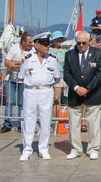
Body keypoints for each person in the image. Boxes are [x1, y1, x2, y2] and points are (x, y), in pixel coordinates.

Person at [18, 32, 60, 161]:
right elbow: (21, 78)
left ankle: (43, 149)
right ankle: (27, 149)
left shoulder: (52, 60)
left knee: (46, 120)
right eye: (44, 44)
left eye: (48, 44)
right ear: (36, 45)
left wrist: (55, 94)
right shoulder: (28, 59)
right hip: (31, 91)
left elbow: (57, 79)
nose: (47, 46)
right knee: (29, 120)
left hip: (46, 91)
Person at [64, 31, 101, 160]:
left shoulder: (98, 53)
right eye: (78, 43)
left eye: (84, 43)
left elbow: (100, 73)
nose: (81, 45)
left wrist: (87, 88)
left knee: (93, 122)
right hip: (75, 93)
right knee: (74, 123)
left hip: (92, 93)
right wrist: (76, 88)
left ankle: (93, 148)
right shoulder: (70, 54)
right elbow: (66, 74)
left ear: (89, 41)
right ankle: (76, 149)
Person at [0, 33, 33, 133]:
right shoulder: (13, 49)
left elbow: (29, 64)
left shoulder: (32, 51)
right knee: (9, 102)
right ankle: (7, 123)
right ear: (23, 42)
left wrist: (15, 63)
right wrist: (21, 63)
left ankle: (20, 123)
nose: (31, 44)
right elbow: (7, 64)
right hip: (11, 79)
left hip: (23, 80)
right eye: (29, 42)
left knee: (21, 102)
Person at [49, 31, 66, 123]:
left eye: (61, 39)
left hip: (60, 76)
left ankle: (56, 118)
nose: (59, 41)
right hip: (49, 76)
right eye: (57, 39)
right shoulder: (48, 51)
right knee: (48, 98)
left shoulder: (64, 52)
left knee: (56, 98)